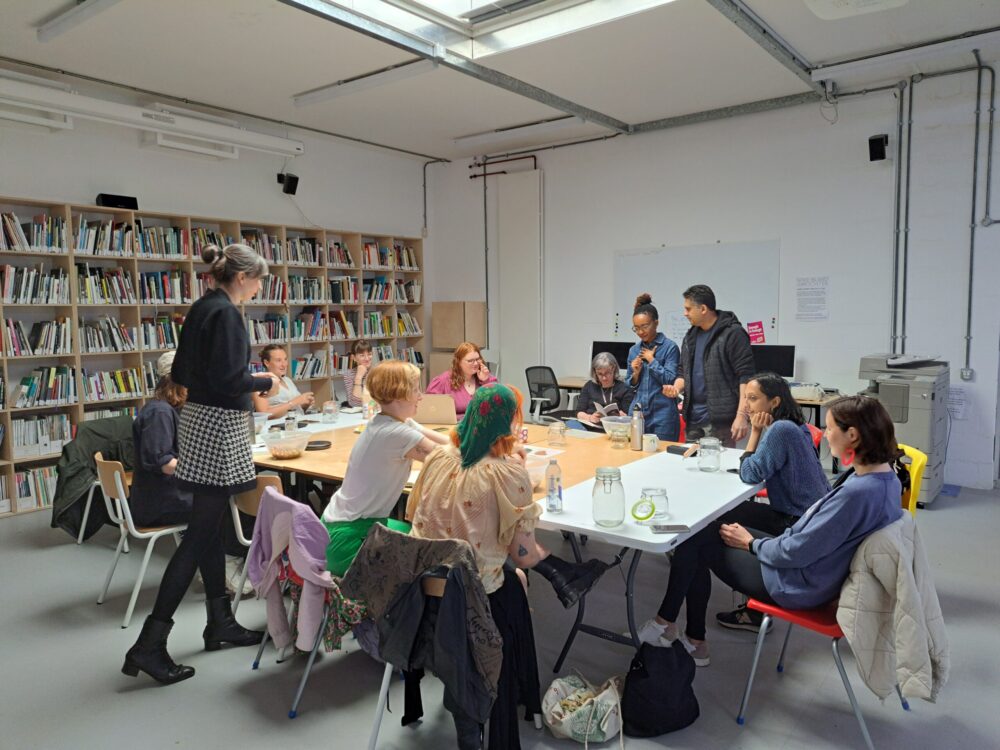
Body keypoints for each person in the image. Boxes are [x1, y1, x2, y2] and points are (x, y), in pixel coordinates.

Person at [407, 383, 609, 749]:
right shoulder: (504, 474)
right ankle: (506, 692)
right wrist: (517, 475)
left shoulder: (437, 458)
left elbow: (415, 514)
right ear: (508, 425)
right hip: (471, 595)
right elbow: (522, 554)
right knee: (517, 581)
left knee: (514, 579)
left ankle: (474, 696)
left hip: (422, 589)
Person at [123, 243, 280, 686]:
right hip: (220, 427)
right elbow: (231, 380)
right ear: (243, 277)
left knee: (209, 525)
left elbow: (184, 375)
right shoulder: (227, 313)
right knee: (197, 535)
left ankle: (219, 621)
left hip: (199, 420)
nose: (259, 288)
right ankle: (149, 643)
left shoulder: (201, 307)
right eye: (259, 280)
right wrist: (264, 380)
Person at [636, 372, 831, 665]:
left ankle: (672, 626)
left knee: (695, 538)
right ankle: (681, 631)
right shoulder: (797, 427)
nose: (747, 405)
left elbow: (749, 473)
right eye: (746, 398)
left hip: (793, 529)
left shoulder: (780, 430)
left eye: (753, 399)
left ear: (774, 402)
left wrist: (755, 433)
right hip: (800, 521)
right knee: (707, 522)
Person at [132, 351, 255, 598]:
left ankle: (224, 564)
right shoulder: (159, 413)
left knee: (230, 495)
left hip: (169, 493)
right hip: (160, 502)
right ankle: (229, 563)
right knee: (232, 502)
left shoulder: (170, 410)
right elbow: (164, 462)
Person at [322, 360, 450, 577]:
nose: (420, 396)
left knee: (422, 540)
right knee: (432, 558)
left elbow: (447, 443)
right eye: (415, 390)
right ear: (399, 394)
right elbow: (448, 459)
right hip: (348, 539)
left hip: (338, 526)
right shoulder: (398, 433)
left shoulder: (391, 421)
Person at [663, 284, 755, 447]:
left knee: (718, 462)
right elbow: (683, 372)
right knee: (689, 461)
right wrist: (676, 388)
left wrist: (742, 415)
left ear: (703, 309)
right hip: (693, 419)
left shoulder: (733, 333)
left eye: (688, 309)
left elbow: (746, 377)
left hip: (721, 422)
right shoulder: (690, 336)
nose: (685, 313)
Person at [627, 293, 680, 441]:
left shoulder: (670, 347)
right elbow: (629, 385)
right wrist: (635, 374)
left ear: (656, 323)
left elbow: (670, 379)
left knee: (662, 452)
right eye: (636, 328)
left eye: (644, 326)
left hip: (663, 415)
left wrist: (652, 360)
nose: (640, 332)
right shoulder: (634, 350)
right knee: (634, 451)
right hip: (638, 413)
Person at [425, 342, 497, 417]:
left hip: (480, 423)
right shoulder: (443, 381)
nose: (476, 363)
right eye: (470, 361)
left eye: (477, 359)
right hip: (456, 423)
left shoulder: (487, 378)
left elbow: (497, 405)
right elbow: (429, 407)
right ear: (458, 362)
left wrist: (486, 381)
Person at [572, 351, 634, 429]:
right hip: (591, 427)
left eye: (607, 373)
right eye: (600, 374)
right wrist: (590, 417)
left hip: (615, 428)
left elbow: (630, 416)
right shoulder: (589, 386)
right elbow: (579, 412)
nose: (604, 378)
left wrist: (624, 417)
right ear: (595, 372)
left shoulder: (624, 388)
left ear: (614, 369)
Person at [251, 344, 314, 418]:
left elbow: (297, 409)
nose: (284, 364)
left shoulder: (287, 380)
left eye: (285, 359)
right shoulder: (260, 383)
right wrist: (295, 402)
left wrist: (305, 404)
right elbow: (264, 414)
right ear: (266, 363)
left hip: (298, 421)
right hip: (279, 424)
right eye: (278, 360)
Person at [342, 339, 373, 408]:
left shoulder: (378, 372)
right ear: (354, 358)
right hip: (359, 413)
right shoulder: (348, 374)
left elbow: (380, 401)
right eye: (362, 355)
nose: (367, 359)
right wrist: (358, 377)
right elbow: (355, 404)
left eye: (369, 354)